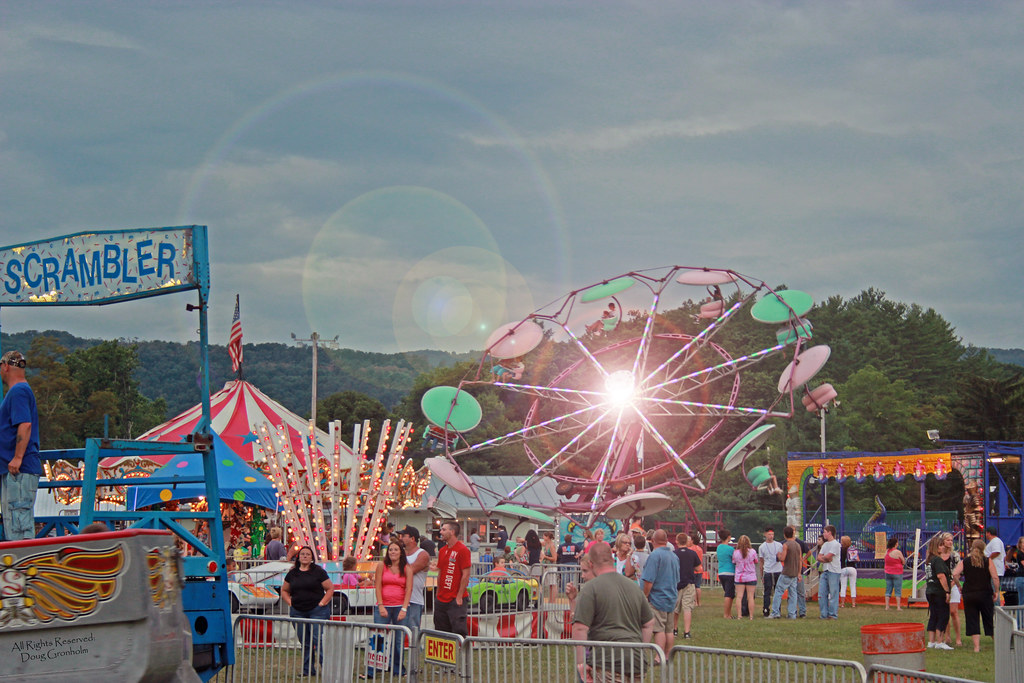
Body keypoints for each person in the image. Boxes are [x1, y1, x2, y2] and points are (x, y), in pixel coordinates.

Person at [573, 542, 654, 682]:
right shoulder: (634, 587)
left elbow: (580, 627)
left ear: (591, 564)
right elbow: (648, 623)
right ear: (612, 560)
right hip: (636, 662)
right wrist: (641, 649)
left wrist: (581, 663)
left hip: (607, 663)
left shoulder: (590, 588)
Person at [0, 350, 41, 541]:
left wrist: (17, 458)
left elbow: (24, 424)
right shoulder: (21, 391)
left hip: (19, 471)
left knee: (18, 528)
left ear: (6, 366)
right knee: (15, 523)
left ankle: (23, 568)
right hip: (17, 471)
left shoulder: (18, 392)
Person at [281, 546, 334, 676]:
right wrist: (290, 602)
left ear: (312, 558)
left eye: (308, 554)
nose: (305, 556)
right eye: (302, 554)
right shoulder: (292, 573)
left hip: (317, 611)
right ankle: (308, 670)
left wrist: (323, 603)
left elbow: (330, 588)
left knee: (319, 640)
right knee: (305, 641)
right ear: (298, 557)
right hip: (298, 611)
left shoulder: (319, 572)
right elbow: (284, 590)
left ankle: (326, 669)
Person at [369, 540, 413, 677]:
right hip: (384, 606)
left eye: (395, 550)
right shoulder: (382, 565)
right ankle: (374, 669)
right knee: (378, 638)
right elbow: (378, 586)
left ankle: (398, 669)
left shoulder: (407, 568)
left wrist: (404, 609)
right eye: (390, 550)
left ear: (401, 552)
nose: (393, 552)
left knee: (398, 640)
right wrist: (381, 605)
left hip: (400, 606)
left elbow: (409, 588)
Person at [952, 539, 999, 652]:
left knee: (972, 619)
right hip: (985, 593)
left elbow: (955, 574)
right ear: (984, 548)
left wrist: (959, 586)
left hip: (969, 593)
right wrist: (996, 591)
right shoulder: (988, 561)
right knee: (988, 619)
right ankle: (997, 643)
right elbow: (995, 577)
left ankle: (976, 647)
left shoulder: (966, 561)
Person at [640, 529, 678, 656]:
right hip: (671, 597)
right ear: (667, 541)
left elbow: (649, 580)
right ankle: (668, 655)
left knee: (658, 629)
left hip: (657, 598)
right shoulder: (674, 556)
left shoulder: (655, 556)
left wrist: (645, 595)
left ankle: (659, 656)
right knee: (669, 629)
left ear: (653, 541)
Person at [434, 521, 471, 636]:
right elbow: (440, 571)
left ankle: (461, 652)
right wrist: (438, 591)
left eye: (444, 530)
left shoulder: (462, 550)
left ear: (452, 532)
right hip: (441, 598)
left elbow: (466, 574)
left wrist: (459, 596)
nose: (441, 532)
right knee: (441, 631)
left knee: (458, 630)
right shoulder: (442, 550)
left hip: (455, 599)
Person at [398, 525, 430, 636]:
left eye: (403, 536)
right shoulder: (400, 553)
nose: (400, 538)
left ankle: (415, 652)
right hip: (398, 598)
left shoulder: (422, 554)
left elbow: (410, 571)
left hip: (414, 599)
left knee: (413, 630)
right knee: (398, 630)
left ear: (412, 539)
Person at [924, 534, 954, 650]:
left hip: (930, 590)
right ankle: (940, 641)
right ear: (936, 547)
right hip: (938, 591)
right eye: (941, 545)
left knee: (933, 615)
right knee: (943, 615)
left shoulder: (929, 560)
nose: (943, 547)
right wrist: (947, 591)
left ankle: (931, 641)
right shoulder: (938, 560)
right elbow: (941, 576)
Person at [768, 525, 802, 619]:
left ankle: (775, 612)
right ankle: (792, 614)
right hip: (795, 572)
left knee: (778, 591)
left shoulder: (786, 545)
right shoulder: (797, 545)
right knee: (793, 594)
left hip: (786, 572)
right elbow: (800, 560)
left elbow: (782, 558)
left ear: (785, 535)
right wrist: (799, 573)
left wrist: (779, 555)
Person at [672, 532, 700, 639]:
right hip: (689, 583)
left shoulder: (674, 554)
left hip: (676, 584)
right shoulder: (692, 554)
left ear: (677, 541)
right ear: (687, 541)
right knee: (687, 608)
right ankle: (687, 632)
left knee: (675, 608)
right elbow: (698, 568)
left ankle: (674, 629)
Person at [816, 525, 842, 619]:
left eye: (825, 532)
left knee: (833, 593)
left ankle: (833, 614)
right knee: (822, 594)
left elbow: (829, 556)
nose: (824, 534)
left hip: (834, 571)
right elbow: (820, 557)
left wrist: (824, 558)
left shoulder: (836, 544)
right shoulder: (825, 545)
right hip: (825, 570)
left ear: (829, 533)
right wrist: (825, 559)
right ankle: (823, 614)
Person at [758, 527, 783, 617]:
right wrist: (762, 575)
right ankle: (766, 609)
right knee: (767, 591)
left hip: (778, 570)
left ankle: (777, 610)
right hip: (768, 571)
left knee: (778, 590)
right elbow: (761, 561)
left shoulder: (779, 545)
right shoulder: (762, 547)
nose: (771, 536)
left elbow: (782, 557)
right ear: (765, 535)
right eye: (769, 534)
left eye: (772, 534)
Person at [732, 535, 758, 621]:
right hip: (751, 576)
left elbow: (734, 562)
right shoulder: (753, 552)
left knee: (739, 596)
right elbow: (756, 561)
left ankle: (739, 615)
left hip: (740, 577)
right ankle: (751, 616)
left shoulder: (736, 552)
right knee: (750, 597)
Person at [716, 530, 736, 619]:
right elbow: (735, 559)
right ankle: (726, 614)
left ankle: (729, 613)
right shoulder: (730, 549)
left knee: (730, 594)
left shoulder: (719, 547)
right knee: (729, 594)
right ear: (728, 537)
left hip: (721, 572)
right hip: (730, 572)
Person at [884, 537, 906, 611]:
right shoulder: (897, 552)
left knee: (888, 589)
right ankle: (898, 607)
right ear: (896, 544)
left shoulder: (886, 551)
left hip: (887, 572)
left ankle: (887, 606)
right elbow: (903, 561)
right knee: (897, 589)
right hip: (897, 572)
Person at [984, 527, 1006, 601]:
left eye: (986, 533)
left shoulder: (995, 541)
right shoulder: (997, 541)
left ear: (988, 533)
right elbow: (1004, 556)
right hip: (996, 569)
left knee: (994, 591)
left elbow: (996, 552)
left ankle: (996, 609)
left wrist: (988, 560)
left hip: (995, 570)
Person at [839, 535, 859, 608]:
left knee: (843, 586)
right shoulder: (852, 549)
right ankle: (853, 603)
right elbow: (857, 559)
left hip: (843, 568)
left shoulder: (840, 549)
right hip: (852, 568)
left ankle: (842, 603)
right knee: (853, 586)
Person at [540, 530, 559, 602]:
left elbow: (554, 558)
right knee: (550, 585)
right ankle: (550, 600)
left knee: (553, 584)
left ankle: (553, 600)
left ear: (547, 537)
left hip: (552, 567)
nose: (543, 537)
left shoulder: (551, 545)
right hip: (547, 566)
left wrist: (545, 557)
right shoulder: (546, 544)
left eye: (544, 536)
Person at [687, 533, 705, 607]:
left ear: (692, 540)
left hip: (693, 570)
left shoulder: (690, 549)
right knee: (698, 586)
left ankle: (695, 602)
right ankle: (699, 602)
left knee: (693, 587)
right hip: (700, 569)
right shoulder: (700, 549)